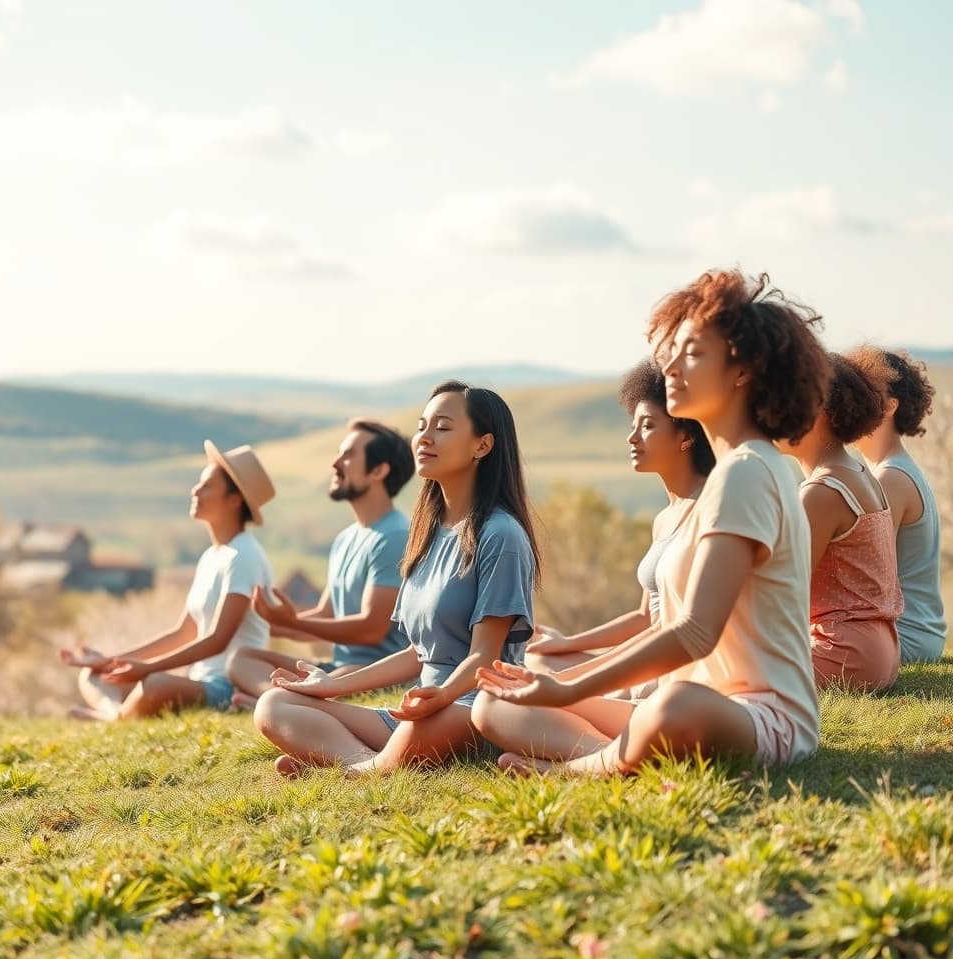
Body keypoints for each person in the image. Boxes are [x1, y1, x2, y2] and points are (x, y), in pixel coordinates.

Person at [473, 269, 830, 775]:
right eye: (673, 352)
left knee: (673, 706)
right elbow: (660, 623)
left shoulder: (749, 471)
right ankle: (608, 755)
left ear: (743, 371)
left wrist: (571, 685)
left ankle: (575, 771)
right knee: (496, 705)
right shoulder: (730, 474)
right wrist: (553, 685)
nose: (672, 367)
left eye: (694, 353)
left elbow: (695, 633)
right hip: (693, 701)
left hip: (760, 717)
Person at [252, 380, 538, 776]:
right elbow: (416, 654)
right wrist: (330, 685)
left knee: (416, 732)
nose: (424, 437)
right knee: (275, 705)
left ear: (482, 445)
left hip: (473, 709)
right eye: (422, 425)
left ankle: (355, 770)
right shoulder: (427, 535)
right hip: (420, 709)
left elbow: (483, 657)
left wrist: (440, 696)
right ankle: (363, 765)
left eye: (442, 426)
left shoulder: (500, 536)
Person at [60, 441, 274, 720]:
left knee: (155, 684)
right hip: (198, 680)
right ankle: (114, 714)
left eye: (207, 486)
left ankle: (114, 717)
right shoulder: (212, 556)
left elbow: (218, 640)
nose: (195, 490)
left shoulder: (244, 556)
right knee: (94, 676)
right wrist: (111, 661)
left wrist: (147, 669)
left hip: (229, 687)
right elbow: (182, 633)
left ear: (234, 500)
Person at [527, 359, 713, 678]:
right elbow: (645, 617)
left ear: (687, 436)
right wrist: (568, 644)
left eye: (648, 426)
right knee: (537, 661)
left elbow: (673, 628)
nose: (632, 437)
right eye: (633, 425)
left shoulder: (708, 510)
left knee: (535, 679)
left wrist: (576, 676)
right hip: (649, 657)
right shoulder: (665, 518)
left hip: (679, 670)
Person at [228, 420, 414, 707]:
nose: (335, 462)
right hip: (336, 668)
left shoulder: (396, 536)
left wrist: (290, 621)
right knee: (242, 659)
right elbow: (326, 616)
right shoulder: (345, 539)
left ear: (379, 470)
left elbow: (371, 629)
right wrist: (272, 622)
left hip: (373, 672)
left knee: (341, 674)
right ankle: (282, 701)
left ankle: (282, 702)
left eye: (348, 455)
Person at [778, 351, 903, 691]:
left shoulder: (820, 492)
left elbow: (787, 594)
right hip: (880, 651)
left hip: (842, 652)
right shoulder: (860, 472)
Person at [849, 347, 946, 663]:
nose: (846, 400)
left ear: (890, 406)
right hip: (912, 632)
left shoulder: (890, 477)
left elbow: (862, 576)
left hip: (905, 635)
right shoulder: (889, 469)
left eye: (861, 391)